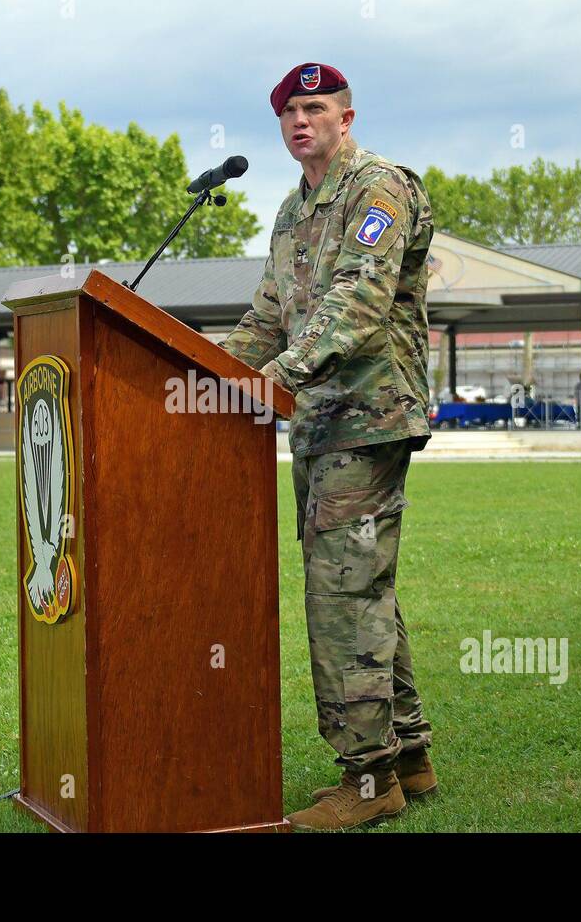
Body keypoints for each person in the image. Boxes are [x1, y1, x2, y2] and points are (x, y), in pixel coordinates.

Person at [220, 62, 436, 831]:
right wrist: (195, 379)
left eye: (314, 109)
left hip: (370, 416)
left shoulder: (379, 188)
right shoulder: (291, 211)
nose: (298, 122)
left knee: (342, 592)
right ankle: (408, 757)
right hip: (316, 422)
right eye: (288, 113)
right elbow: (268, 318)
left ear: (347, 118)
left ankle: (367, 780)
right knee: (360, 585)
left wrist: (273, 377)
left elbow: (358, 301)